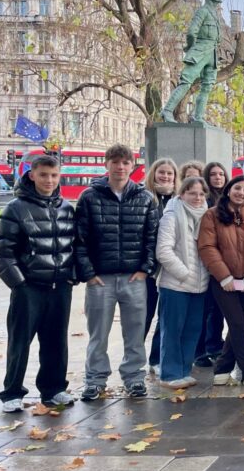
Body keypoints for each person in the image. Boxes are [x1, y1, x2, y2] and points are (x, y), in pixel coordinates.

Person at [0, 155, 77, 411]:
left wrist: (71, 275)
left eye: (54, 175)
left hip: (60, 286)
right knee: (20, 342)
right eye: (43, 175)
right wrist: (19, 283)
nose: (49, 180)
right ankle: (12, 393)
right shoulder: (15, 208)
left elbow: (74, 245)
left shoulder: (66, 208)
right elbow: (1, 251)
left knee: (56, 342)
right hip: (29, 287)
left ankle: (54, 389)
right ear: (32, 175)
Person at [75, 144, 158, 400]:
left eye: (125, 162)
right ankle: (95, 379)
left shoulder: (145, 198)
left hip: (134, 278)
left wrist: (145, 269)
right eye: (115, 162)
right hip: (101, 279)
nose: (120, 167)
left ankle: (134, 378)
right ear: (107, 164)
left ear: (132, 166)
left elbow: (152, 238)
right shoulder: (89, 197)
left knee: (135, 333)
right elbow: (80, 239)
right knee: (98, 334)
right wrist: (89, 274)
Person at [197, 176, 244, 387]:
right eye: (237, 188)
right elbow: (207, 247)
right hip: (223, 281)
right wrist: (224, 276)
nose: (241, 193)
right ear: (229, 190)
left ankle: (223, 366)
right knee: (238, 322)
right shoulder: (212, 215)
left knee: (236, 323)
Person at [155, 176, 210, 389]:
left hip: (200, 285)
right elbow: (163, 251)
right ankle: (169, 374)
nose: (197, 197)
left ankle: (184, 371)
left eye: (201, 193)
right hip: (175, 284)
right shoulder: (172, 215)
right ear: (182, 194)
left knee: (192, 329)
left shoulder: (206, 215)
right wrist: (185, 274)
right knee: (172, 330)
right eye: (192, 193)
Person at [144, 157, 178, 374]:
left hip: (170, 268)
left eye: (169, 173)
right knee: (144, 316)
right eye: (161, 172)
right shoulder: (144, 198)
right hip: (149, 269)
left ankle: (156, 358)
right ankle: (134, 360)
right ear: (153, 174)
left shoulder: (178, 201)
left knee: (164, 317)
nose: (165, 176)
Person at [195, 161, 229, 368]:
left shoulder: (229, 200)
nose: (218, 177)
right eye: (214, 174)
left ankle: (215, 345)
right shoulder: (203, 200)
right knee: (205, 309)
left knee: (218, 309)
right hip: (206, 261)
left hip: (226, 262)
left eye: (221, 174)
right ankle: (200, 351)